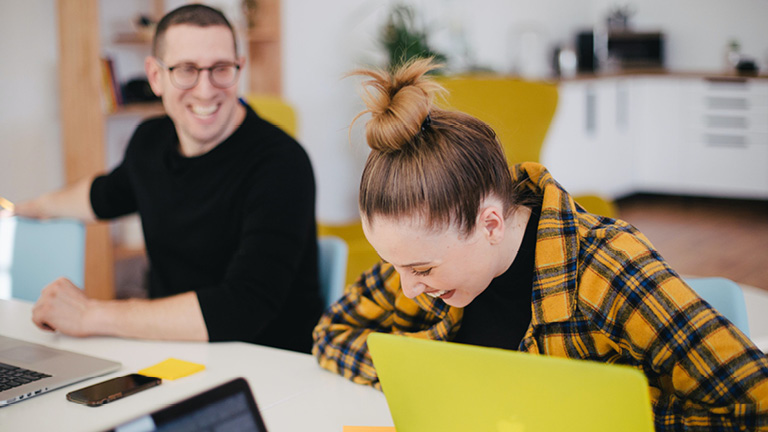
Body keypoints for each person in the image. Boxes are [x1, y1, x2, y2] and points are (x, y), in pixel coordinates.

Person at [312, 58, 768, 429]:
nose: (407, 287)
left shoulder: (607, 267)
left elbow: (755, 405)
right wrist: (436, 380)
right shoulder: (425, 259)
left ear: (490, 224)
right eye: (395, 265)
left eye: (422, 270)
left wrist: (598, 414)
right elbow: (331, 335)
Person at [12, 4, 322, 353]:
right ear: (156, 77)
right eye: (186, 70)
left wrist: (91, 315)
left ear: (240, 69)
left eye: (220, 69)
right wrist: (29, 207)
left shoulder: (282, 163)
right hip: (171, 351)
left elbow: (244, 307)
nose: (205, 90)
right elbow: (104, 195)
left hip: (269, 365)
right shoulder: (150, 141)